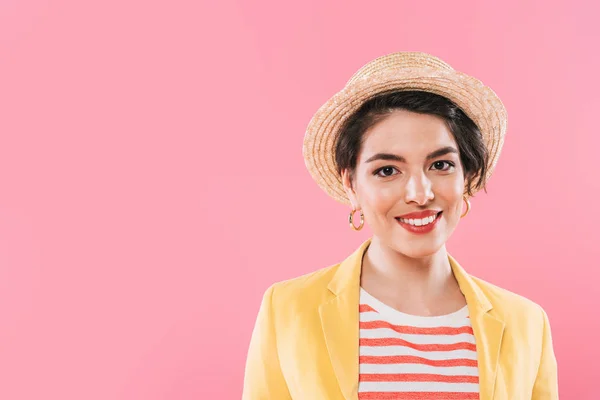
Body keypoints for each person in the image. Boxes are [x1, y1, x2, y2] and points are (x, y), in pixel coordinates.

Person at [242, 52, 558, 400]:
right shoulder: (287, 310)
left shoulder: (526, 323)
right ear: (350, 184)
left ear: (467, 177)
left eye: (440, 165)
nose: (420, 194)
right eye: (387, 170)